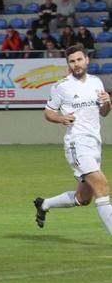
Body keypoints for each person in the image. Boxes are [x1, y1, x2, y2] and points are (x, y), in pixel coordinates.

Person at [34, 44, 112, 235]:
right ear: (68, 64)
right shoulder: (62, 87)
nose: (76, 64)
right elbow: (48, 113)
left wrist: (108, 103)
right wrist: (60, 118)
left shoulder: (96, 82)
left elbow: (103, 113)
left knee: (83, 198)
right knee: (102, 186)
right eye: (71, 61)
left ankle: (44, 204)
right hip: (77, 144)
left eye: (79, 60)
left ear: (87, 60)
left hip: (94, 144)